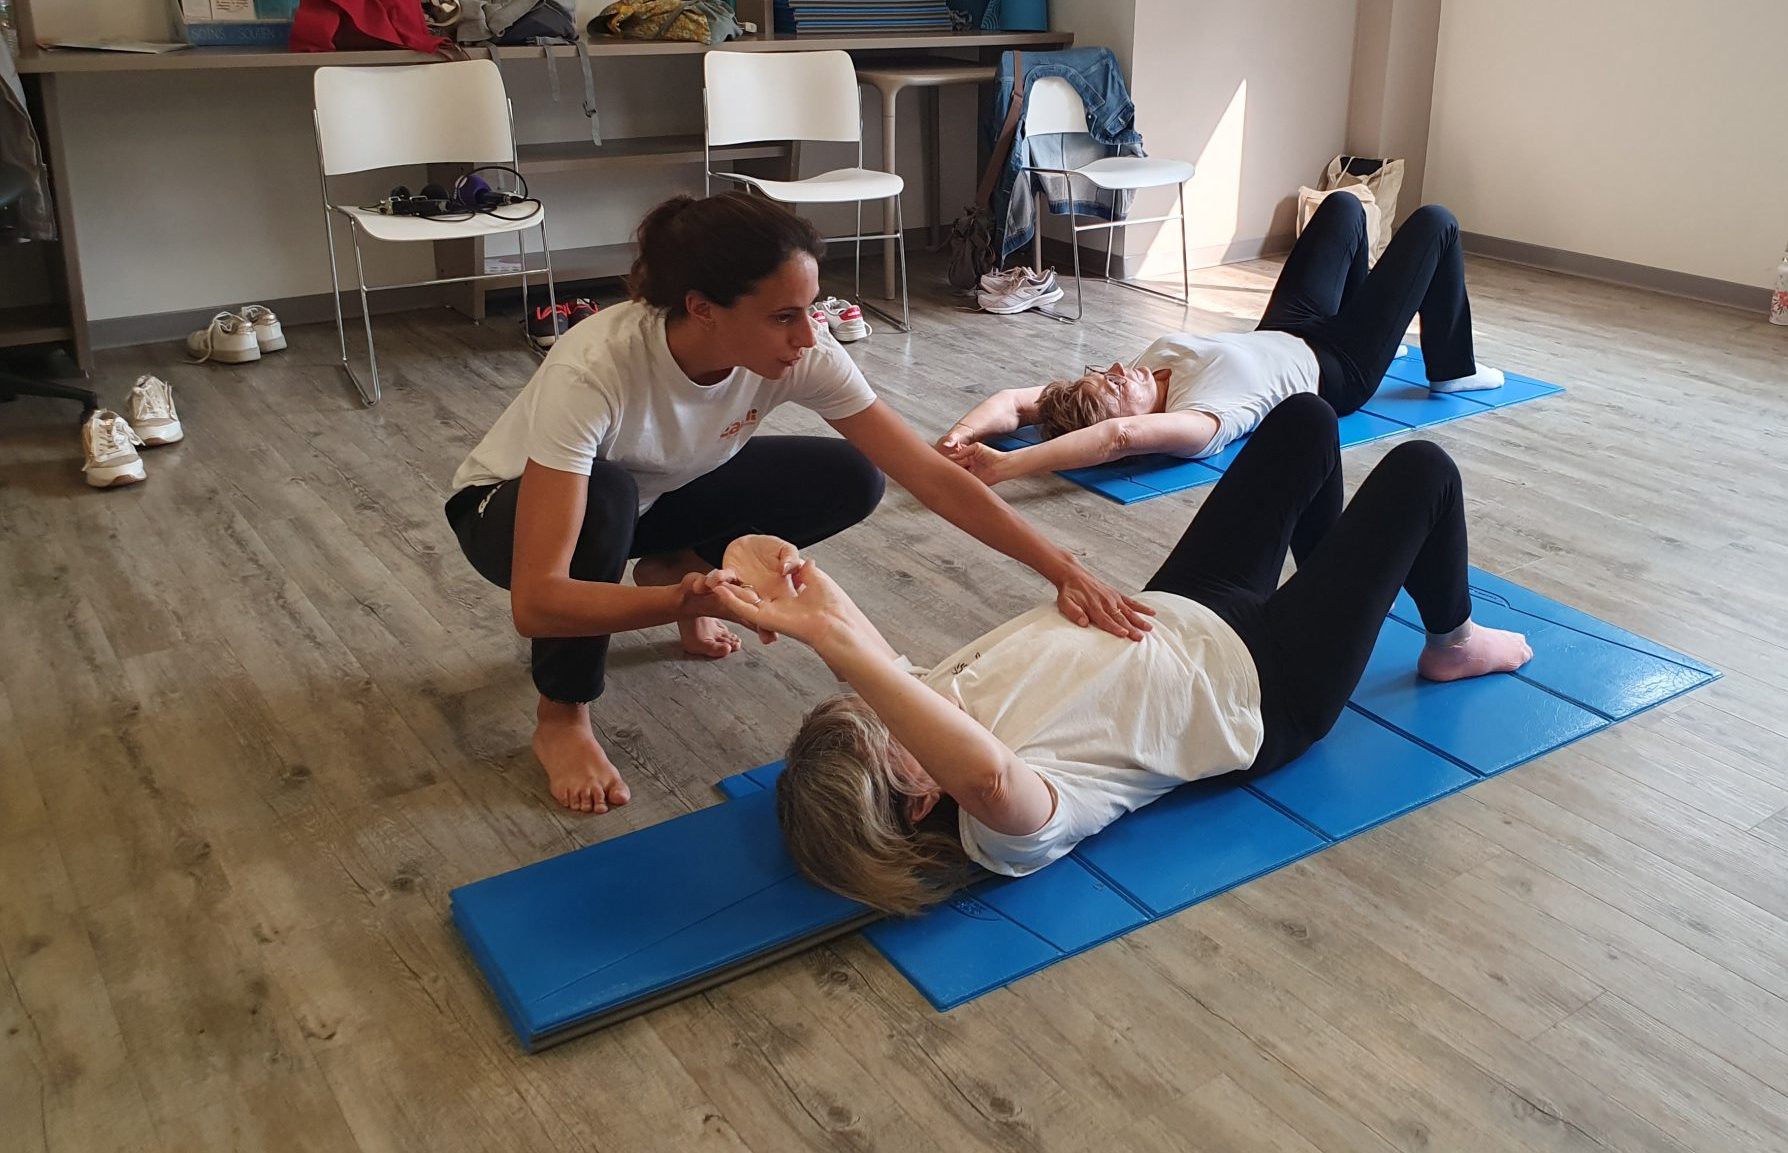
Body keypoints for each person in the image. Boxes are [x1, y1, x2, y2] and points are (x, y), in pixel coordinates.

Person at [446, 192, 1153, 816]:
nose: (809, 335)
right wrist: (692, 603)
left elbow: (927, 474)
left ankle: (670, 560)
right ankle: (561, 712)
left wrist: (1060, 567)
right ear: (702, 309)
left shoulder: (799, 349)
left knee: (850, 475)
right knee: (608, 493)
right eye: (785, 316)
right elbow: (537, 602)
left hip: (655, 494)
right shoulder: (595, 369)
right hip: (505, 517)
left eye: (812, 308)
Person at [713, 394, 1534, 915]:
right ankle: (1453, 639)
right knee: (1422, 470)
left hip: (1179, 606)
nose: (896, 696)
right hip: (1263, 685)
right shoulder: (1008, 826)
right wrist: (840, 649)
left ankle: (1340, 585)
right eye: (884, 726)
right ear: (923, 797)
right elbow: (981, 770)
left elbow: (876, 668)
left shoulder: (924, 721)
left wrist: (797, 588)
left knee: (1305, 423)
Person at [935, 196, 1505, 485]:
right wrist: (1008, 469)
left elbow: (1015, 401)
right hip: (1339, 367)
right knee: (1436, 222)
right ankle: (1451, 365)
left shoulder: (1140, 376)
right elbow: (1117, 436)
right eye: (1113, 385)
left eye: (1103, 372)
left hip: (1288, 328)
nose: (1117, 368)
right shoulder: (1198, 422)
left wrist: (958, 438)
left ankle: (1372, 318)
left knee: (1343, 208)